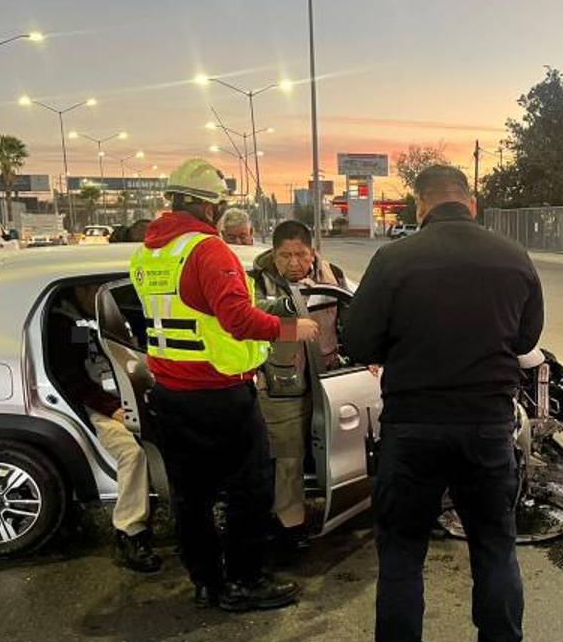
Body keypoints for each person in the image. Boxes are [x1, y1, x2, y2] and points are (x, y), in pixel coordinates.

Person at [345, 164, 544, 642]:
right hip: (486, 428)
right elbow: (527, 337)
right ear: (471, 203)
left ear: (419, 205)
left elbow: (359, 337)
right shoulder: (514, 258)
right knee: (494, 544)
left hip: (414, 428)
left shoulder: (394, 260)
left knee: (404, 552)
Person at [132, 158, 319, 612]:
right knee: (249, 489)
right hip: (220, 395)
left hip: (171, 393)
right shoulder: (207, 250)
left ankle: (207, 582)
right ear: (210, 206)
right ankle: (244, 582)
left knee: (190, 497)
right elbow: (236, 317)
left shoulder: (149, 254)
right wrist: (292, 329)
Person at [48, 283, 159, 572]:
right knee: (132, 453)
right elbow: (74, 379)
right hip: (104, 405)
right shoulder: (68, 325)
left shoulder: (103, 316)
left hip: (130, 394)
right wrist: (113, 410)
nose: (99, 294)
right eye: (93, 289)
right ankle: (130, 531)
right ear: (79, 290)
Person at [251, 220, 347, 547]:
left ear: (312, 252)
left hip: (329, 380)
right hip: (280, 386)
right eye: (284, 255)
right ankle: (289, 527)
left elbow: (350, 315)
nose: (293, 263)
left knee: (333, 451)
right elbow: (252, 314)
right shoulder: (257, 281)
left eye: (300, 255)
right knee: (287, 459)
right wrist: (290, 304)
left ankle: (338, 508)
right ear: (273, 255)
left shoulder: (332, 275)